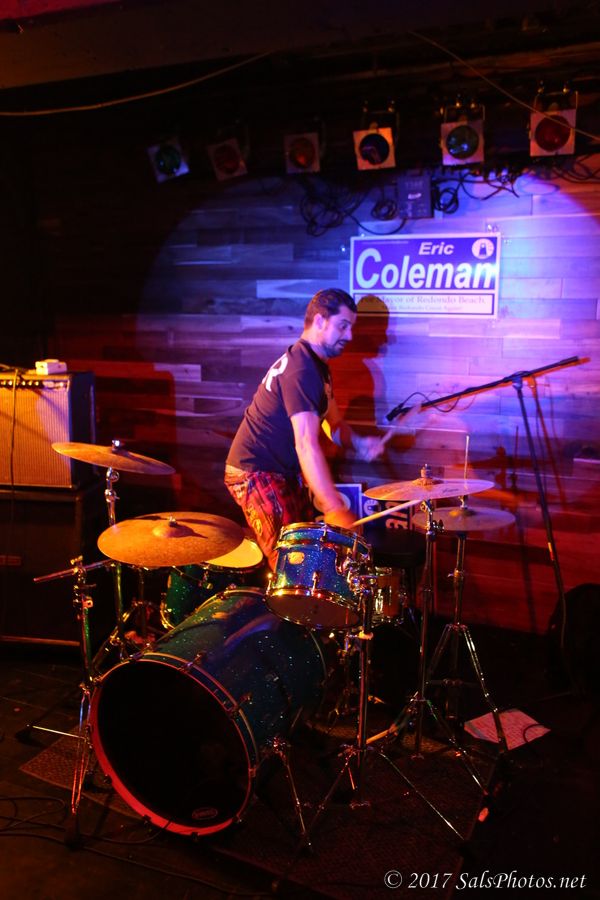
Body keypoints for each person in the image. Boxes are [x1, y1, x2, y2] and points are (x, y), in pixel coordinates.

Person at [224, 288, 386, 569]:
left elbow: (333, 425)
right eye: (343, 326)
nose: (349, 335)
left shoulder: (317, 367)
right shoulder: (303, 370)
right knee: (292, 563)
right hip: (255, 471)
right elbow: (306, 444)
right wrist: (334, 506)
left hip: (281, 470)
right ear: (320, 321)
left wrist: (360, 443)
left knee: (308, 553)